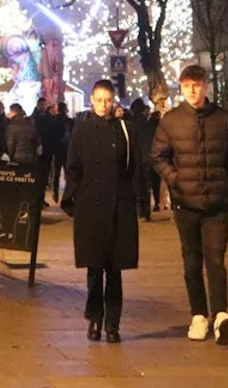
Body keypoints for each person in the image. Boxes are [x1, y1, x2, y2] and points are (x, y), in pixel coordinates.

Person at [150, 64, 228, 345]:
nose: (192, 90)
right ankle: (198, 315)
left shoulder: (223, 119)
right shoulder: (171, 121)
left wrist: (225, 181)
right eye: (187, 85)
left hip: (216, 203)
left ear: (205, 86)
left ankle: (221, 315)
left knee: (216, 261)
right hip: (186, 203)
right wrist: (175, 179)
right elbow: (157, 155)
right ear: (181, 87)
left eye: (197, 84)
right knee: (192, 262)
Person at [64, 80, 140, 343]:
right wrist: (72, 197)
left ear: (114, 101)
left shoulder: (124, 130)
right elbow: (73, 165)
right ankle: (94, 319)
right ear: (92, 100)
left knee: (115, 270)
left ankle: (113, 324)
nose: (103, 105)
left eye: (108, 100)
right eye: (99, 100)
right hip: (91, 207)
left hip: (118, 205)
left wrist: (132, 198)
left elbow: (133, 166)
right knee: (94, 269)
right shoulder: (81, 130)